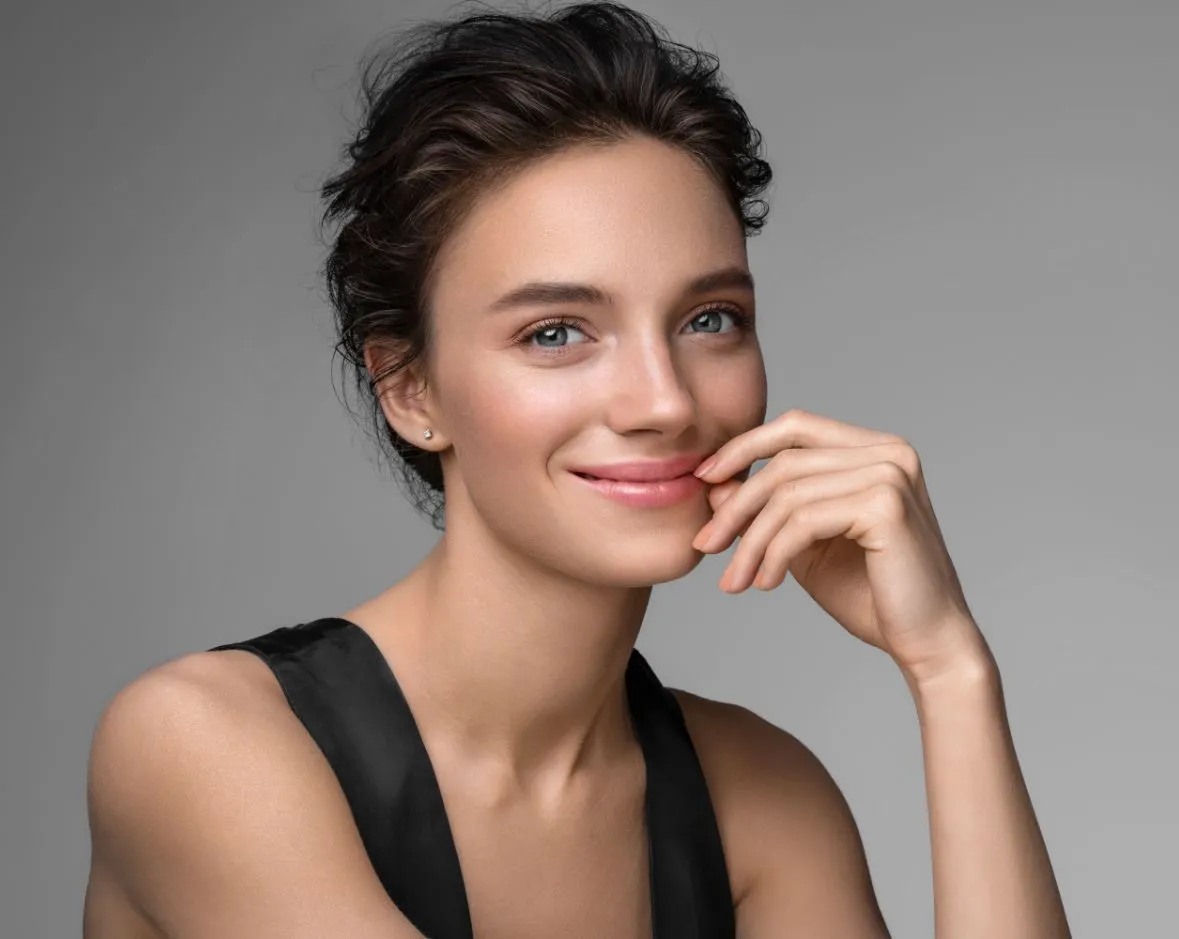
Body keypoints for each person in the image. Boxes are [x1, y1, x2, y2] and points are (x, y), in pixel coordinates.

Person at [82, 3, 1072, 938]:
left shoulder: (760, 798)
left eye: (707, 320)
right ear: (409, 389)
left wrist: (947, 668)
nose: (664, 400)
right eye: (555, 333)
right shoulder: (202, 745)